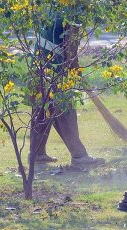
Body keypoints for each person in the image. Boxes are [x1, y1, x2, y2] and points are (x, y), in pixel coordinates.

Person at [31, 13, 104, 167]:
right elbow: (70, 51)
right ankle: (79, 156)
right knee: (64, 109)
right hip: (53, 63)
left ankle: (37, 154)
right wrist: (75, 70)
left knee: (42, 108)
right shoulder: (75, 10)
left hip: (38, 60)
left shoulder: (56, 3)